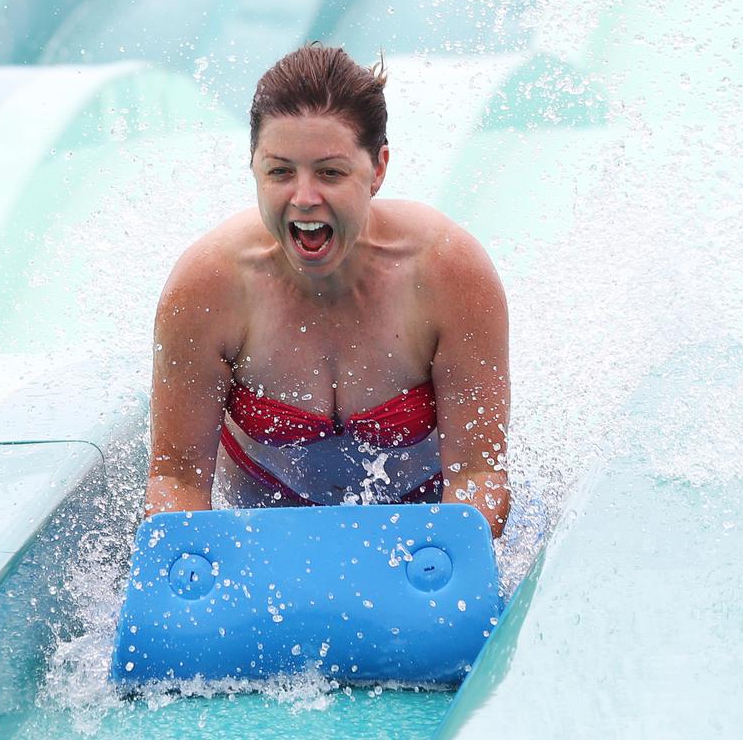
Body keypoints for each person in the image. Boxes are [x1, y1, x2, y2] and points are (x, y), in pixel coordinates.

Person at [146, 45, 511, 537]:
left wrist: (443, 567)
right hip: (261, 531)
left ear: (378, 168)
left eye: (331, 172)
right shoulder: (210, 286)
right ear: (253, 165)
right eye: (279, 171)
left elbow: (477, 474)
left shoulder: (446, 272)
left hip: (424, 533)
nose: (303, 197)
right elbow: (176, 479)